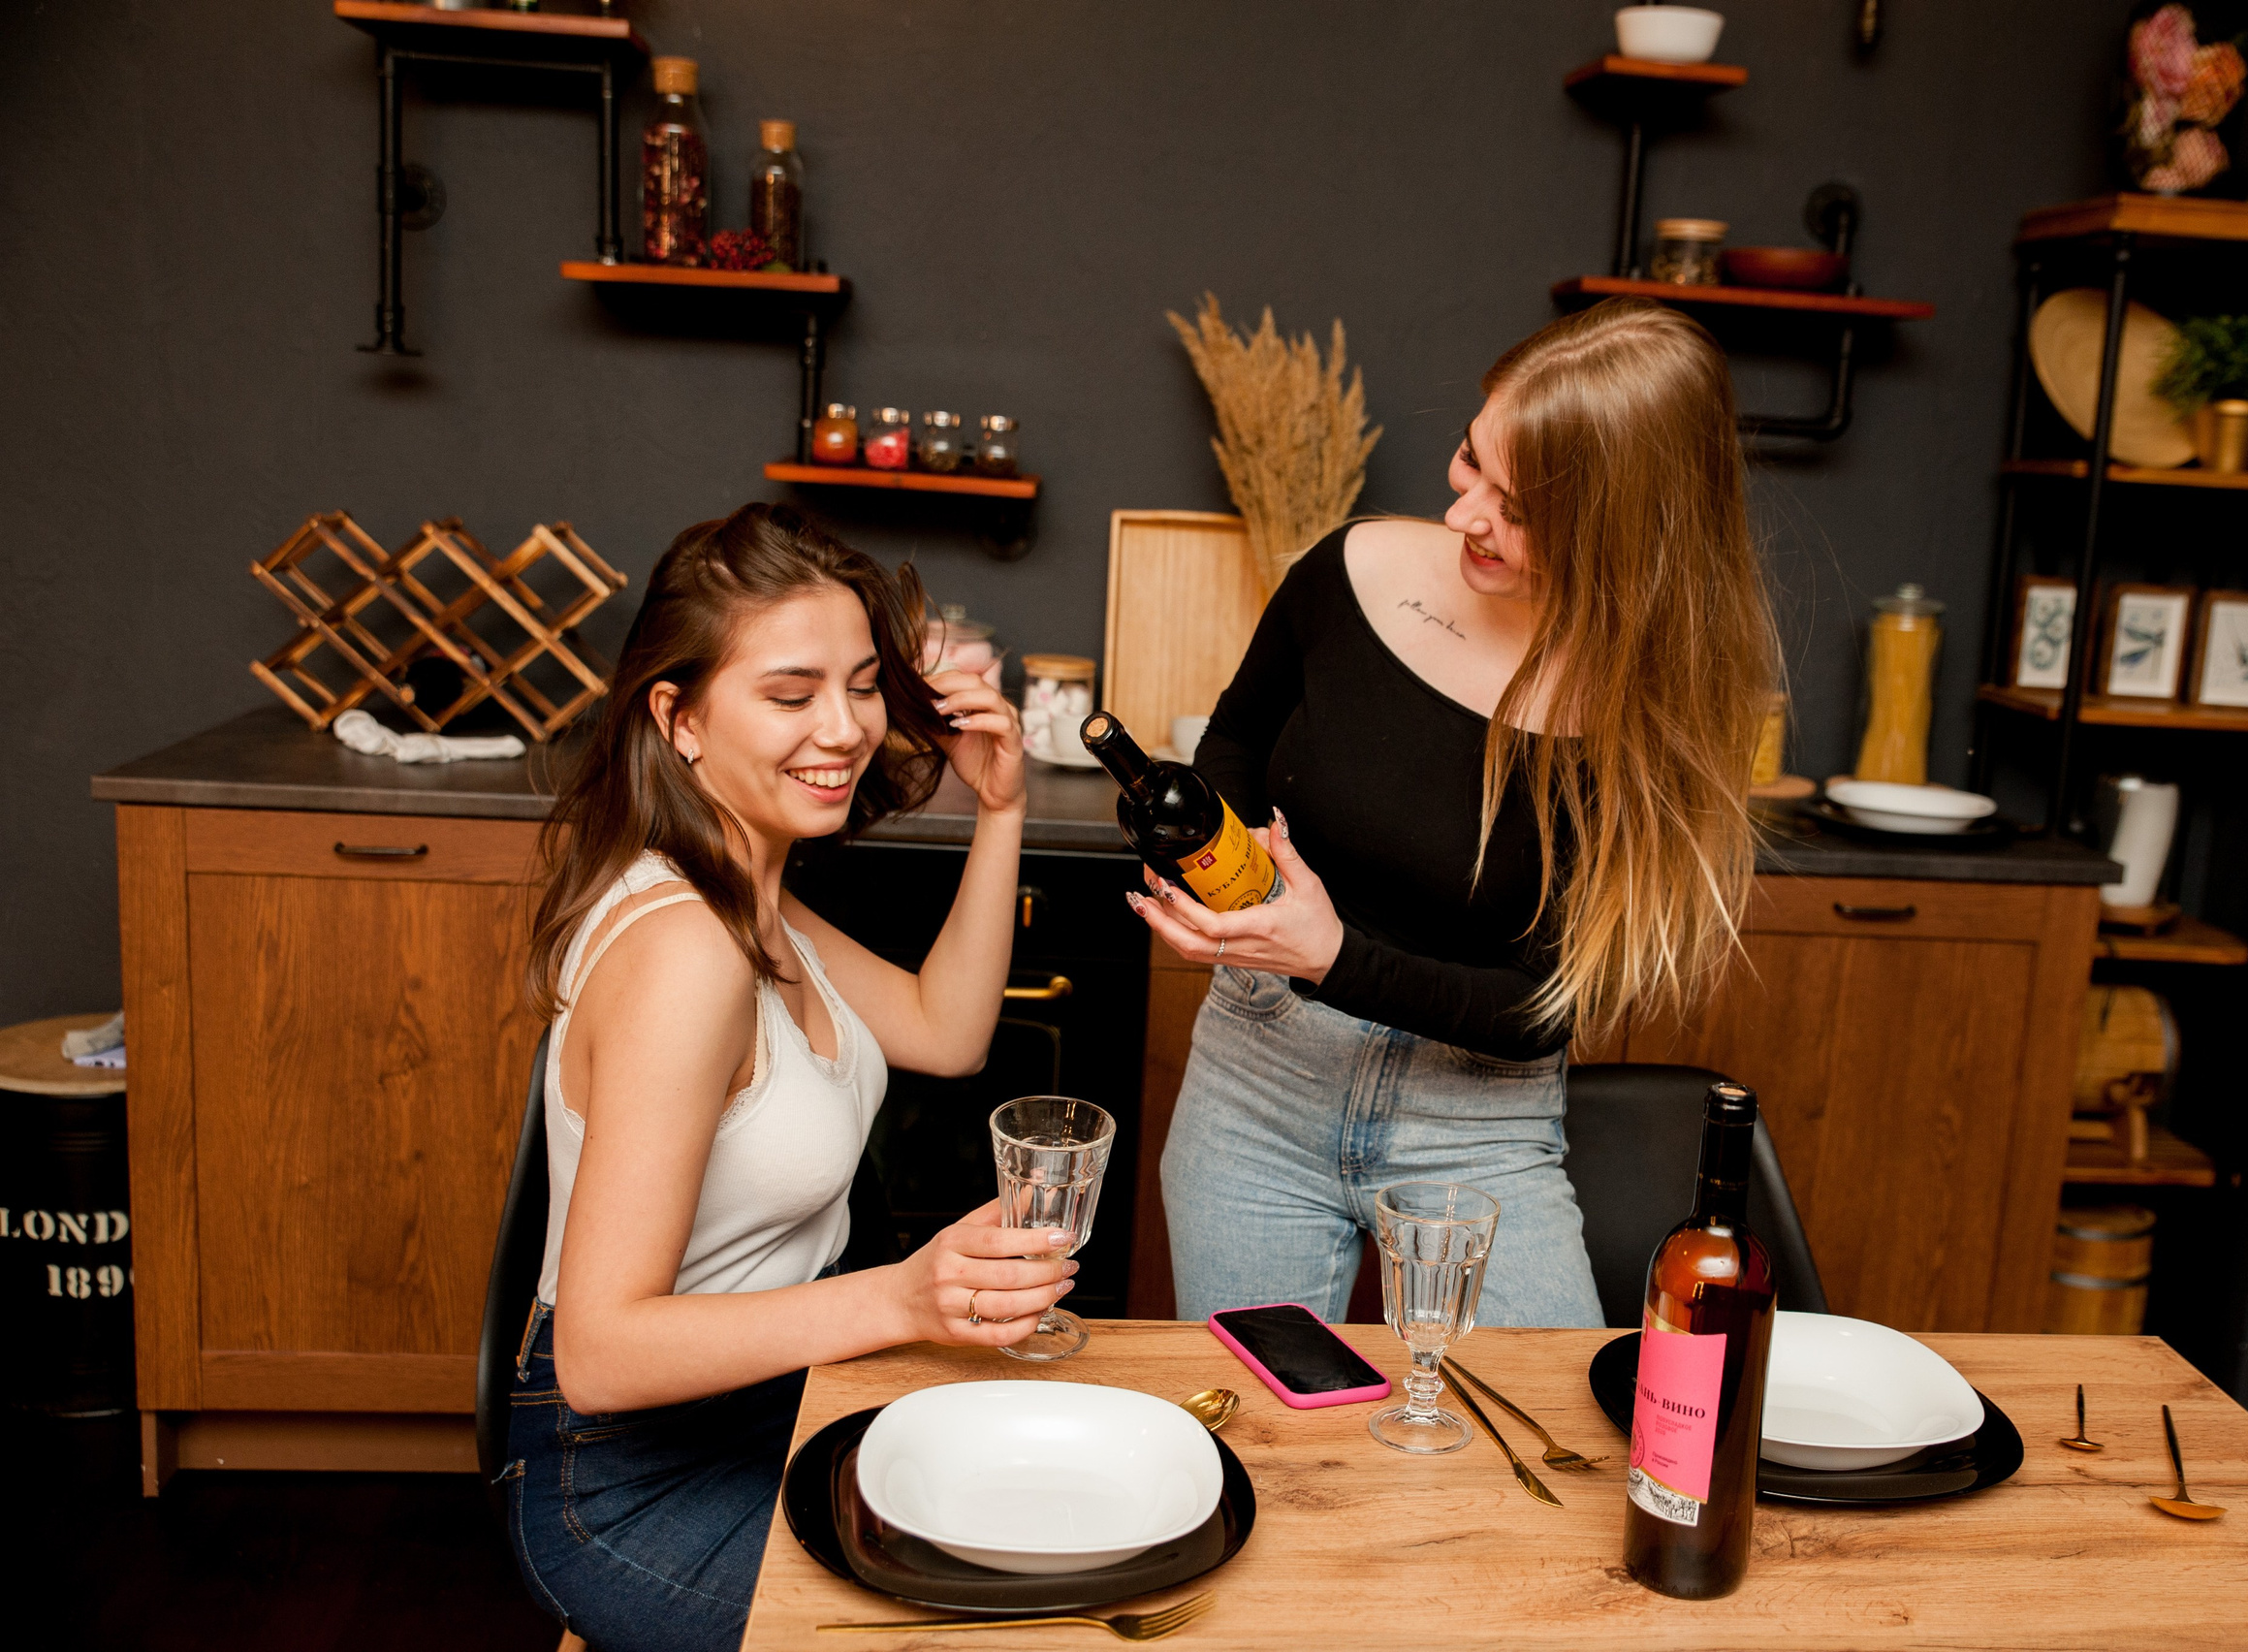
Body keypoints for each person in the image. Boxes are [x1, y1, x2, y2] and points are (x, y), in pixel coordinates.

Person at [1131, 300, 1780, 1327]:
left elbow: (1543, 1010)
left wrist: (1332, 956)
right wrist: (1225, 869)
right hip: (1258, 1081)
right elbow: (1239, 741)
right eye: (1471, 460)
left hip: (1476, 1125)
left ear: (1621, 532)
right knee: (1255, 1414)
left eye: (1518, 509)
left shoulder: (1653, 716)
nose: (1466, 516)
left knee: (1536, 1423)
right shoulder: (1350, 571)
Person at [498, 503, 1065, 1652]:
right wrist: (902, 1299)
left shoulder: (750, 897)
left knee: (1054, 1541)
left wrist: (1000, 810)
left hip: (785, 1406)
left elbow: (945, 1031)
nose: (845, 730)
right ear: (679, 717)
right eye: (791, 694)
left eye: (861, 686)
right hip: (639, 1483)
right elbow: (598, 1356)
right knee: (1017, 1626)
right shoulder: (685, 952)